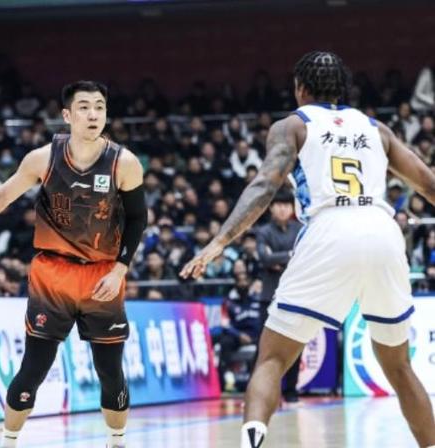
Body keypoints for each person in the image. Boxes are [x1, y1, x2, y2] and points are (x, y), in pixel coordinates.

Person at [181, 51, 435, 448]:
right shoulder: (377, 129)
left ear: (300, 88)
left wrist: (219, 241)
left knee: (272, 359)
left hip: (329, 228)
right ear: (343, 88)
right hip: (382, 230)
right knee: (399, 367)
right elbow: (429, 185)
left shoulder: (293, 125)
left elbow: (264, 185)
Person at [0, 81, 146, 448]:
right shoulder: (43, 158)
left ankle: (117, 441)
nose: (93, 114)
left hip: (102, 275)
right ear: (67, 115)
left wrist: (120, 269)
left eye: (99, 106)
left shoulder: (123, 163)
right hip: (53, 274)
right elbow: (1, 197)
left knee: (110, 371)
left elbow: (137, 219)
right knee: (33, 368)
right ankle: (9, 441)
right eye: (84, 107)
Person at [254, 188, 302, 402]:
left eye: (286, 205)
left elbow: (304, 257)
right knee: (264, 348)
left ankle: (291, 391)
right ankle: (260, 392)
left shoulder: (300, 230)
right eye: (278, 205)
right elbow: (264, 258)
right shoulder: (264, 231)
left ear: (292, 208)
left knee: (295, 344)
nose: (282, 209)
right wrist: (290, 255)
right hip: (269, 295)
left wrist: (278, 258)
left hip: (294, 296)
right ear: (271, 208)